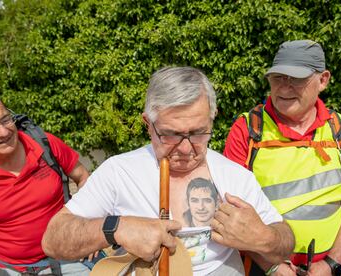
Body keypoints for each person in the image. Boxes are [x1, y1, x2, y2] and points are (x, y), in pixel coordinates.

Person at [42, 66, 295, 275]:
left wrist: (263, 237)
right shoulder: (119, 172)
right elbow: (53, 239)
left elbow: (285, 241)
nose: (186, 149)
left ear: (212, 117)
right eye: (171, 134)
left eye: (198, 132)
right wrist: (116, 228)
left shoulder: (234, 176)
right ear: (148, 125)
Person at [224, 40, 341, 276]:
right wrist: (273, 266)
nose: (284, 88)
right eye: (278, 77)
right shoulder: (247, 130)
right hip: (263, 268)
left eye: (296, 79)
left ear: (323, 80)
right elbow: (233, 213)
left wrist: (331, 264)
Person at [0, 89, 92, 276]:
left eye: (5, 119)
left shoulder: (44, 144)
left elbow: (83, 177)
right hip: (13, 269)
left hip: (70, 254)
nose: (3, 132)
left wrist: (90, 226)